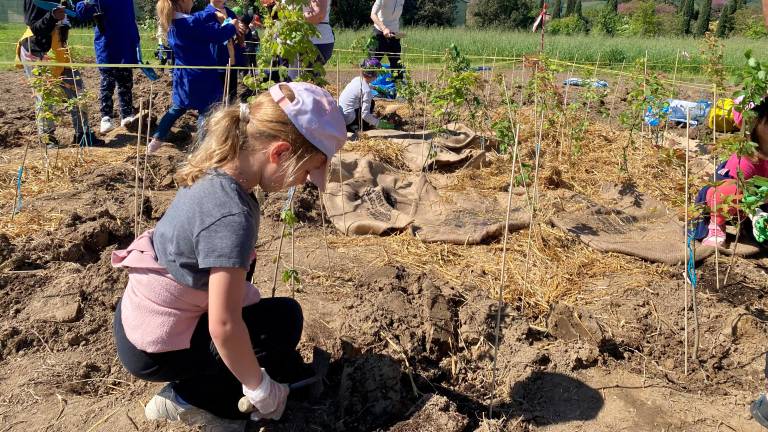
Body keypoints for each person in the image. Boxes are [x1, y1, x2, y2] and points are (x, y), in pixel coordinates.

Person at [113, 82, 346, 430]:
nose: (307, 181)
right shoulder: (230, 215)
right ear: (279, 153)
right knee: (254, 381)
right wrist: (259, 387)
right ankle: (187, 399)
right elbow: (223, 326)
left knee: (285, 319)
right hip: (154, 346)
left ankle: (208, 380)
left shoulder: (219, 166)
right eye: (308, 170)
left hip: (142, 321)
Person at [148, 0, 245, 153]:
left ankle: (156, 141)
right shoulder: (191, 23)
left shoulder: (171, 22)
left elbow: (197, 18)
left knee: (176, 109)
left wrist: (213, 14)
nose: (193, 2)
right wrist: (231, 25)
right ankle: (200, 149)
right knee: (206, 111)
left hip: (183, 76)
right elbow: (218, 36)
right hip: (202, 77)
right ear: (182, 2)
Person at [16, 0, 104, 147]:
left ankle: (83, 135)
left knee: (78, 90)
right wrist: (52, 16)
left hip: (60, 50)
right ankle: (47, 139)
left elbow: (75, 16)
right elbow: (35, 27)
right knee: (44, 97)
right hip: (37, 51)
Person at [699, 99, 768, 247]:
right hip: (737, 199)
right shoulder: (746, 160)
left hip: (761, 200)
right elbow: (739, 194)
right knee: (727, 191)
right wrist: (754, 212)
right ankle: (717, 225)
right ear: (753, 126)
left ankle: (749, 227)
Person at [75, 0, 140, 134]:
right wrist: (87, 3)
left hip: (126, 45)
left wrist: (136, 41)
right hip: (106, 46)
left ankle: (126, 115)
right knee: (107, 82)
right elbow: (81, 12)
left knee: (126, 83)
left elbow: (130, 19)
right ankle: (106, 118)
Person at [205, 0, 246, 106]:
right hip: (218, 60)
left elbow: (239, 32)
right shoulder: (207, 13)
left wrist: (241, 31)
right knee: (218, 97)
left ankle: (231, 118)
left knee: (232, 94)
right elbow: (213, 35)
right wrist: (230, 26)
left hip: (232, 59)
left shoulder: (230, 12)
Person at [338, 58, 394, 132]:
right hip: (348, 120)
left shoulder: (357, 79)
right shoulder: (366, 91)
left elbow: (365, 85)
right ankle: (356, 126)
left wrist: (376, 88)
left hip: (340, 116)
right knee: (371, 103)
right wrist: (379, 123)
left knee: (369, 103)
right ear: (374, 74)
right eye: (377, 72)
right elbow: (365, 115)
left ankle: (354, 124)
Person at [369, 0, 405, 82]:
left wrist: (396, 31)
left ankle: (399, 90)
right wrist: (384, 28)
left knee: (396, 64)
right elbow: (373, 14)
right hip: (379, 33)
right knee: (372, 64)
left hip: (394, 35)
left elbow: (396, 17)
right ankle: (364, 89)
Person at [304, 0, 334, 66]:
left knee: (300, 74)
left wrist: (293, 18)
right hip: (285, 42)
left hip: (314, 42)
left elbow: (318, 15)